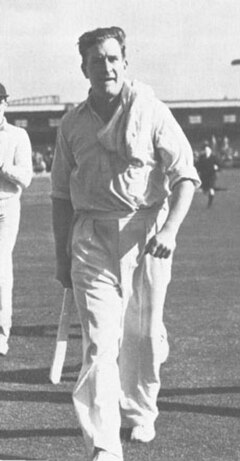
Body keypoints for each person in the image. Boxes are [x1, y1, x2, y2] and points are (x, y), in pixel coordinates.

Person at [51, 27, 200, 461]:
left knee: (143, 335)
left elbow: (186, 177)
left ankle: (141, 410)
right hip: (91, 236)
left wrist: (169, 231)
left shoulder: (151, 111)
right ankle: (104, 444)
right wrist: (62, 255)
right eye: (97, 60)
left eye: (114, 58)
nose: (107, 67)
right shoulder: (72, 123)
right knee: (100, 343)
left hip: (147, 232)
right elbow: (60, 195)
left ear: (125, 63)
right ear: (84, 69)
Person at [0, 83, 32, 355]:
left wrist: (4, 167)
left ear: (5, 104)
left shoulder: (18, 135)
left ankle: (1, 334)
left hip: (5, 209)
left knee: (1, 268)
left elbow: (26, 178)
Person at [196, 141, 219, 207]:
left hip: (211, 176)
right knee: (205, 190)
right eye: (205, 150)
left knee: (211, 189)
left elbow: (219, 164)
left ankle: (210, 203)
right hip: (204, 176)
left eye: (208, 150)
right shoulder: (202, 157)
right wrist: (196, 170)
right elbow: (198, 165)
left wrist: (217, 167)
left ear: (210, 150)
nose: (207, 151)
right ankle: (206, 191)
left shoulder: (214, 157)